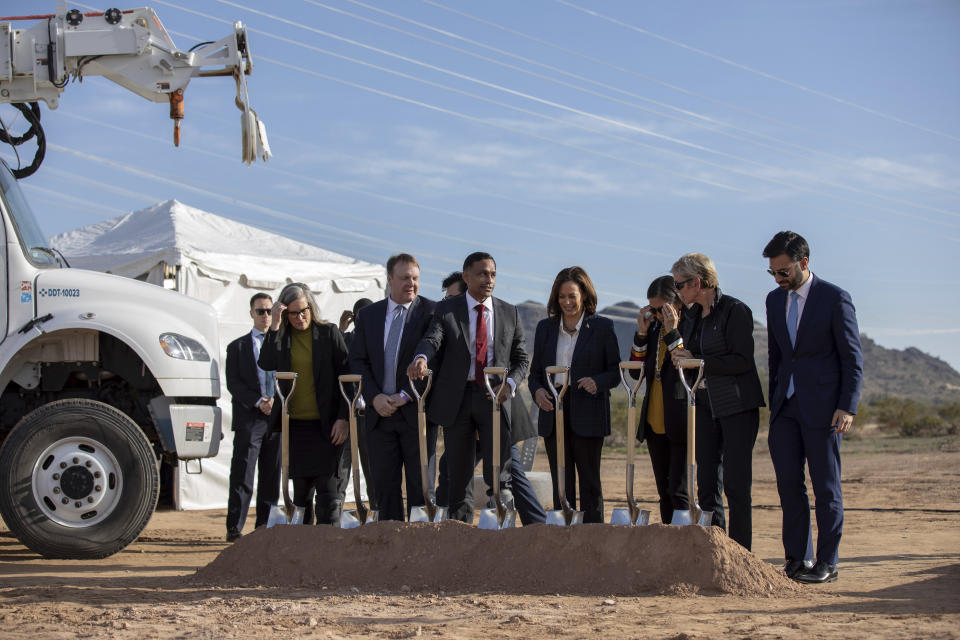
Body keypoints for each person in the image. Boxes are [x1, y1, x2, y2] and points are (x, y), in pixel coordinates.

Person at [763, 231, 862, 583]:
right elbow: (777, 357)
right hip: (785, 409)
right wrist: (775, 401)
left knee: (825, 487)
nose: (778, 278)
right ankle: (796, 559)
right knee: (789, 485)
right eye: (773, 272)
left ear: (804, 263)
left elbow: (852, 358)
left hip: (824, 409)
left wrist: (847, 407)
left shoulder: (834, 298)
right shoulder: (774, 300)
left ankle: (828, 563)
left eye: (784, 271)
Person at [407, 252, 530, 523]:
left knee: (499, 473)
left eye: (493, 274)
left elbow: (521, 359)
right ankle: (460, 535)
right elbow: (433, 338)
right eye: (482, 273)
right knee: (458, 475)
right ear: (466, 276)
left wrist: (508, 385)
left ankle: (501, 530)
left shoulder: (509, 312)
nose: (489, 279)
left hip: (494, 399)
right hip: (458, 401)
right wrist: (421, 357)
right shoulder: (447, 310)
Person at [669, 253, 765, 550]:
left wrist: (699, 361)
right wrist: (680, 347)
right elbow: (690, 357)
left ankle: (741, 554)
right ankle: (716, 550)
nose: (678, 292)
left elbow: (741, 360)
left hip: (737, 406)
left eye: (680, 286)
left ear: (697, 282)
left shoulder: (735, 310)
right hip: (705, 404)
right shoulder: (694, 316)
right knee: (707, 483)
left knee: (737, 486)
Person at [434, 272, 546, 525]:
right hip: (463, 411)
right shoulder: (448, 320)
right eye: (446, 297)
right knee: (452, 473)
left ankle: (538, 526)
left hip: (499, 409)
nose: (448, 303)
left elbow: (518, 359)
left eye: (452, 296)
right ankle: (446, 523)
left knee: (507, 474)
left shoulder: (501, 314)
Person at [348, 254, 437, 521]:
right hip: (379, 416)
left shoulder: (431, 312)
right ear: (389, 280)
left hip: (415, 414)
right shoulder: (368, 315)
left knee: (419, 489)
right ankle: (390, 548)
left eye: (415, 278)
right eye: (404, 278)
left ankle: (418, 548)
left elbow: (435, 355)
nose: (411, 283)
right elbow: (357, 360)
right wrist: (374, 397)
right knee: (385, 489)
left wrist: (404, 395)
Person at [528, 266, 619, 523]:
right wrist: (537, 393)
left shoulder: (602, 327)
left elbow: (615, 372)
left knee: (590, 481)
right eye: (561, 297)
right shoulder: (545, 328)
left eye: (572, 296)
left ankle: (592, 539)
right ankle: (563, 534)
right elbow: (535, 374)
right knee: (561, 480)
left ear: (585, 296)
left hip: (588, 410)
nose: (567, 302)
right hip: (553, 409)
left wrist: (597, 382)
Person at [258, 282, 349, 525]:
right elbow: (266, 362)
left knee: (329, 496)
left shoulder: (329, 333)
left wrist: (343, 418)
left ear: (311, 307)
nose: (300, 318)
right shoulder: (283, 337)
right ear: (285, 314)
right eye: (293, 313)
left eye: (304, 311)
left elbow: (346, 378)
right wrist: (275, 325)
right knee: (301, 497)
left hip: (328, 427)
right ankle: (304, 553)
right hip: (297, 428)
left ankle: (328, 549)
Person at [628, 276, 688, 524]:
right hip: (655, 420)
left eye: (661, 309)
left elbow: (684, 365)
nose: (657, 314)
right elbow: (635, 372)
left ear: (677, 304)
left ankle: (686, 541)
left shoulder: (689, 327)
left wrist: (673, 330)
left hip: (682, 421)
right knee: (664, 492)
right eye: (652, 309)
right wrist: (641, 334)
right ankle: (669, 544)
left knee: (679, 490)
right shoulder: (654, 330)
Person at [224, 292, 281, 541]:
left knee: (272, 474)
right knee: (243, 473)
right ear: (251, 313)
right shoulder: (237, 347)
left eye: (269, 311)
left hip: (276, 417)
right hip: (250, 417)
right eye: (260, 311)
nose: (265, 316)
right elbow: (233, 383)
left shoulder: (282, 343)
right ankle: (235, 527)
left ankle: (264, 527)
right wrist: (259, 401)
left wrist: (275, 402)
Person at [334, 297, 375, 520]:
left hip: (370, 416)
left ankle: (376, 511)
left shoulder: (379, 341)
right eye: (359, 317)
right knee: (342, 467)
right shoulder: (346, 340)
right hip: (348, 415)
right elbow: (336, 358)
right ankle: (337, 512)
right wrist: (341, 328)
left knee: (372, 469)